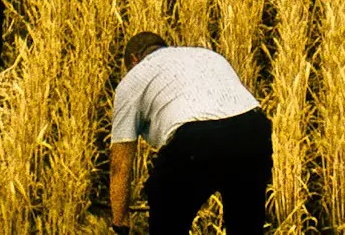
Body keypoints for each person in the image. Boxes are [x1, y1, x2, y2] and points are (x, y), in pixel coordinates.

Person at [107, 32, 272, 235]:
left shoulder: (134, 77)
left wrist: (120, 221)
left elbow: (120, 164)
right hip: (253, 129)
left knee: (166, 216)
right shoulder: (208, 56)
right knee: (246, 227)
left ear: (134, 59)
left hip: (195, 140)